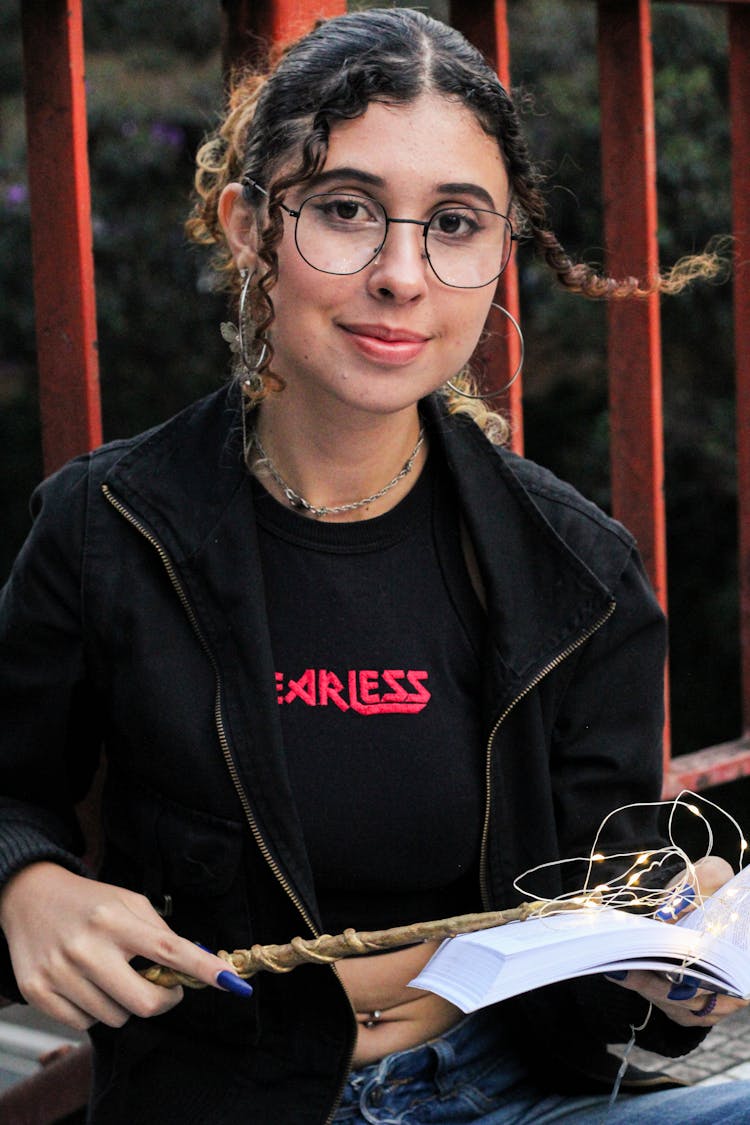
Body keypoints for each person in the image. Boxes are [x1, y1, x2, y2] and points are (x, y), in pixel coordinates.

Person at [0, 8, 746, 1123]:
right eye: (345, 212)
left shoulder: (576, 571)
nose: (403, 274)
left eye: (455, 224)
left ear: (501, 253)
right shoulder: (109, 527)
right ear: (249, 226)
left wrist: (672, 977)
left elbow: (601, 961)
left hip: (523, 1097)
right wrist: (28, 881)